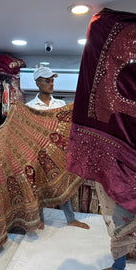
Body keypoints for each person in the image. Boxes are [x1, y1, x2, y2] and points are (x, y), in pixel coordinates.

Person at [26, 66, 89, 230]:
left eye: (52, 80)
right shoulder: (30, 107)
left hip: (57, 154)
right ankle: (39, 221)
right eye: (47, 81)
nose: (51, 84)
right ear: (38, 83)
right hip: (38, 154)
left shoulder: (60, 104)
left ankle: (71, 219)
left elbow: (67, 127)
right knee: (37, 186)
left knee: (62, 185)